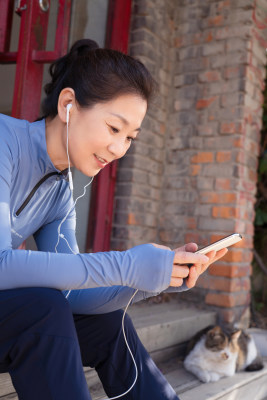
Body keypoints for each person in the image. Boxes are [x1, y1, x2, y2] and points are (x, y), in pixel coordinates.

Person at [0, 39, 227, 400]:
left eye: (130, 138)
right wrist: (125, 264)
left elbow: (74, 294)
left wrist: (156, 279)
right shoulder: (4, 140)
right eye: (113, 128)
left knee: (107, 321)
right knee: (41, 308)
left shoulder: (63, 189)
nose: (119, 148)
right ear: (68, 105)